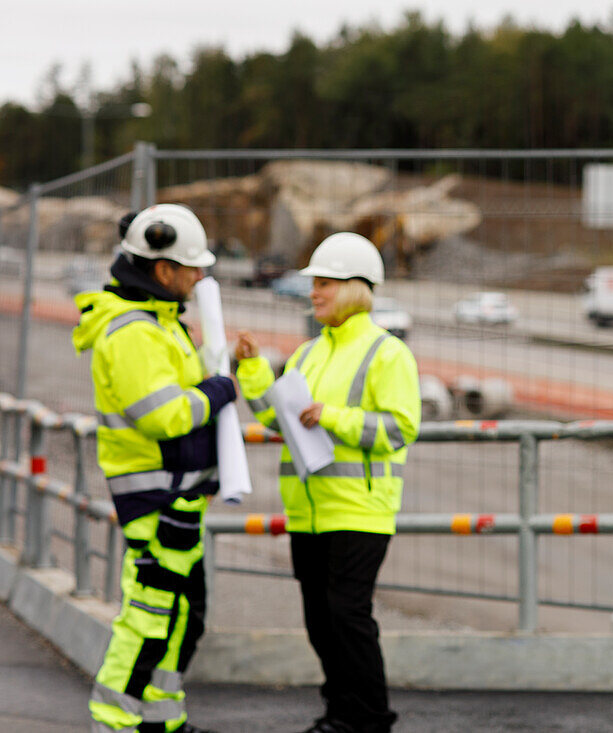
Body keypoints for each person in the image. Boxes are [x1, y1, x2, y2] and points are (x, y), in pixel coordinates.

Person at [234, 232, 420, 733]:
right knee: (321, 621)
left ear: (356, 288)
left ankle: (368, 719)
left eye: (324, 283)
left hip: (359, 510)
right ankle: (340, 714)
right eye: (313, 283)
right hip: (308, 511)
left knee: (348, 618)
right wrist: (251, 370)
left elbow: (401, 428)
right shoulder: (308, 354)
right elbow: (279, 420)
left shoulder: (387, 353)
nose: (313, 292)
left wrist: (333, 416)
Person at [73, 204, 236, 733]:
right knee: (149, 620)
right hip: (155, 500)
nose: (200, 278)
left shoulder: (160, 324)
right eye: (193, 267)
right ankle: (114, 724)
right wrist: (217, 390)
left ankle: (160, 721)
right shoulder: (134, 333)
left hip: (177, 497)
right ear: (163, 271)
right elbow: (164, 415)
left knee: (182, 619)